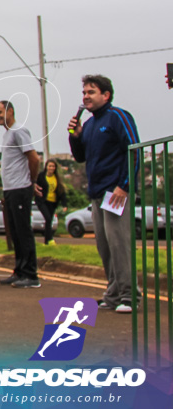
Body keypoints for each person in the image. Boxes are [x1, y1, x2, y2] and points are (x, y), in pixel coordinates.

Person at [69, 74, 140, 313]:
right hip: (97, 193)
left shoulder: (118, 117)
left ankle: (129, 296)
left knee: (119, 243)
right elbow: (80, 157)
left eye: (91, 92)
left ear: (106, 95)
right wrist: (75, 136)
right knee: (104, 245)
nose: (86, 97)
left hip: (116, 191)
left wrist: (124, 185)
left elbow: (134, 151)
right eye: (84, 93)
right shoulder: (88, 125)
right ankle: (113, 294)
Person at [0, 100, 41, 288]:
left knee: (23, 231)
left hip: (20, 188)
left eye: (0, 112)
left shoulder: (19, 131)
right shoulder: (8, 134)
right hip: (10, 189)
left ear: (10, 111)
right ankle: (19, 270)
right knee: (15, 232)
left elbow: (34, 157)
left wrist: (32, 181)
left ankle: (31, 275)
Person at [34, 159, 67, 246]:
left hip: (53, 202)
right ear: (46, 167)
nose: (51, 168)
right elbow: (34, 185)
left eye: (53, 166)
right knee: (48, 218)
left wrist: (64, 204)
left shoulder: (57, 178)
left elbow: (61, 192)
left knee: (49, 221)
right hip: (42, 201)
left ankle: (47, 241)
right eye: (50, 166)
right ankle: (50, 239)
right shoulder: (41, 176)